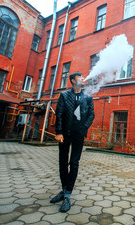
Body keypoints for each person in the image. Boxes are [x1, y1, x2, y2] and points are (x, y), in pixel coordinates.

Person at [51, 72, 95, 212]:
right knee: (63, 162)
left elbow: (91, 114)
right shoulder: (64, 95)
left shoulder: (88, 97)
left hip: (78, 135)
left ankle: (68, 194)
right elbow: (59, 114)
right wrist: (58, 132)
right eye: (80, 77)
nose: (83, 79)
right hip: (65, 134)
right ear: (72, 80)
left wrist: (83, 128)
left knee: (74, 163)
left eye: (83, 77)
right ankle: (64, 190)